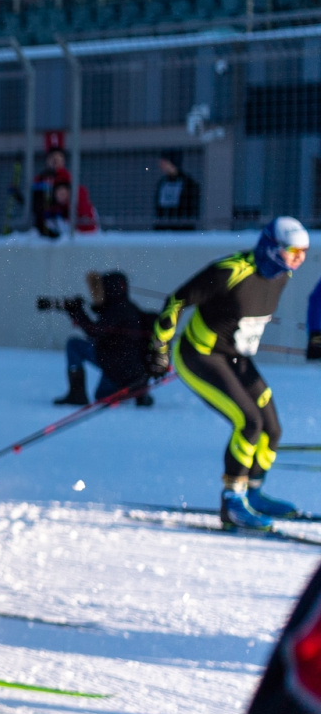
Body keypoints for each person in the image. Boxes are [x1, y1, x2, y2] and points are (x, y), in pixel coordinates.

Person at [151, 217, 310, 532]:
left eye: (304, 251)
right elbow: (176, 301)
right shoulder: (231, 270)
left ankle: (253, 492)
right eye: (294, 250)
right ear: (273, 247)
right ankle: (232, 502)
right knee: (248, 422)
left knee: (272, 429)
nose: (300, 258)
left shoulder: (283, 274)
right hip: (199, 356)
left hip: (236, 358)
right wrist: (160, 349)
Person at [56, 271, 155, 407]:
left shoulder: (116, 310)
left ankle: (77, 395)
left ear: (109, 289)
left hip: (115, 366)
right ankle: (137, 390)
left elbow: (94, 332)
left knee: (74, 345)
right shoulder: (130, 308)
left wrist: (77, 312)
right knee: (104, 392)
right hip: (135, 370)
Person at [153, 154, 201, 231]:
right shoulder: (162, 182)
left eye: (164, 162)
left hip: (182, 228)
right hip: (163, 226)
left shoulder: (188, 183)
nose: (161, 165)